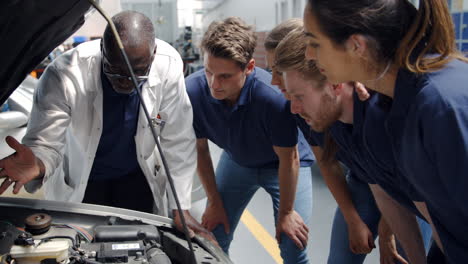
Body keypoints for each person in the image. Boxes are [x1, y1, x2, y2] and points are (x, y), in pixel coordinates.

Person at [0, 11, 212, 241]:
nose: (125, 81)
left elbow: (177, 140)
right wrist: (38, 163)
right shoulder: (65, 73)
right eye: (115, 70)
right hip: (86, 179)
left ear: (154, 55)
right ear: (102, 50)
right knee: (85, 245)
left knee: (138, 244)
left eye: (138, 73)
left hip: (136, 176)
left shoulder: (168, 65)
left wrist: (180, 207)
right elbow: (46, 142)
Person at [303, 0, 468, 262]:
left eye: (315, 43)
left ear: (356, 46)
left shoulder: (440, 106)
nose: (309, 55)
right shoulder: (392, 105)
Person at [274, 28, 433, 264]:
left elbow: (428, 204)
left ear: (334, 81)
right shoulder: (334, 119)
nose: (293, 106)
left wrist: (390, 234)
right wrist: (354, 219)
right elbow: (379, 187)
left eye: (297, 95)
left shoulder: (381, 119)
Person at [185, 17, 314, 263]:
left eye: (225, 76)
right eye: (209, 71)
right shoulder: (193, 91)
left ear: (250, 67)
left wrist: (286, 213)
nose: (214, 84)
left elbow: (289, 158)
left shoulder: (273, 99)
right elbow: (200, 151)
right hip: (237, 162)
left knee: (292, 243)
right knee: (214, 236)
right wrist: (213, 201)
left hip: (282, 166)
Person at [264, 18, 386, 264]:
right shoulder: (302, 109)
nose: (275, 82)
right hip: (365, 180)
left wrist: (388, 234)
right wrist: (353, 219)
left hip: (404, 191)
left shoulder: (371, 106)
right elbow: (328, 163)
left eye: (279, 72)